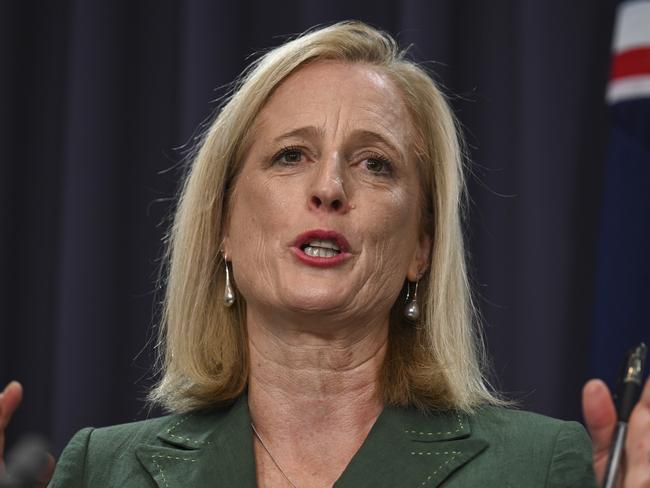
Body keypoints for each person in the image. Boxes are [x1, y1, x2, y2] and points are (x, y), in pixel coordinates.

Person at [1, 20, 649, 487]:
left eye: (374, 163)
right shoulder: (103, 470)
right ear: (222, 225)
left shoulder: (536, 468)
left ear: (421, 246)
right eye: (291, 156)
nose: (330, 188)